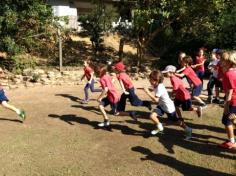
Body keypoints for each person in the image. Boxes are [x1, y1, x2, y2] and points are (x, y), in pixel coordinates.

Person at [143, 70, 192, 139]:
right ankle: (160, 127)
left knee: (177, 122)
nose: (149, 81)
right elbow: (154, 90)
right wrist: (149, 89)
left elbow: (156, 100)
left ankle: (188, 129)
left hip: (169, 108)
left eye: (150, 79)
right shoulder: (155, 85)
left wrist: (147, 92)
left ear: (156, 80)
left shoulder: (160, 87)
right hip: (161, 106)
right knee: (152, 116)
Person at [219, 51, 236, 149]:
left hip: (232, 102)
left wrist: (226, 106)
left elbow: (229, 92)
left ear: (229, 62)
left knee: (227, 122)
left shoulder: (228, 74)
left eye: (222, 60)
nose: (220, 62)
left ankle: (232, 142)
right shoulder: (234, 71)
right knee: (231, 120)